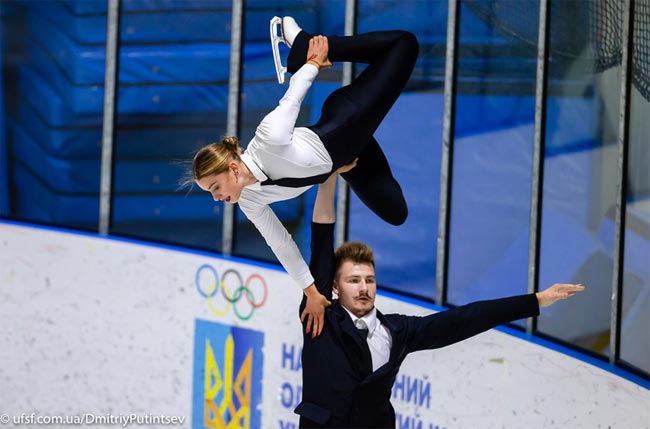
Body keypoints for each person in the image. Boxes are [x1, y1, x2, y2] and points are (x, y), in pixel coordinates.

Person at [296, 172, 585, 428]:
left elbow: (464, 319)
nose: (363, 288)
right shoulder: (319, 318)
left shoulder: (397, 332)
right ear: (335, 286)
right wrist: (329, 176)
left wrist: (535, 300)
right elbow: (321, 240)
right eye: (353, 280)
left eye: (369, 280)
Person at [191, 17, 419, 335]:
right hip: (347, 158)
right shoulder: (250, 200)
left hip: (347, 121)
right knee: (396, 212)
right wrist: (311, 292)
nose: (216, 197)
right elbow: (282, 243)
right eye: (210, 193)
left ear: (231, 168)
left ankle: (306, 43)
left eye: (215, 187)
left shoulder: (267, 138)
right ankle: (308, 48)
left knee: (405, 44)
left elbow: (293, 98)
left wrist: (312, 60)